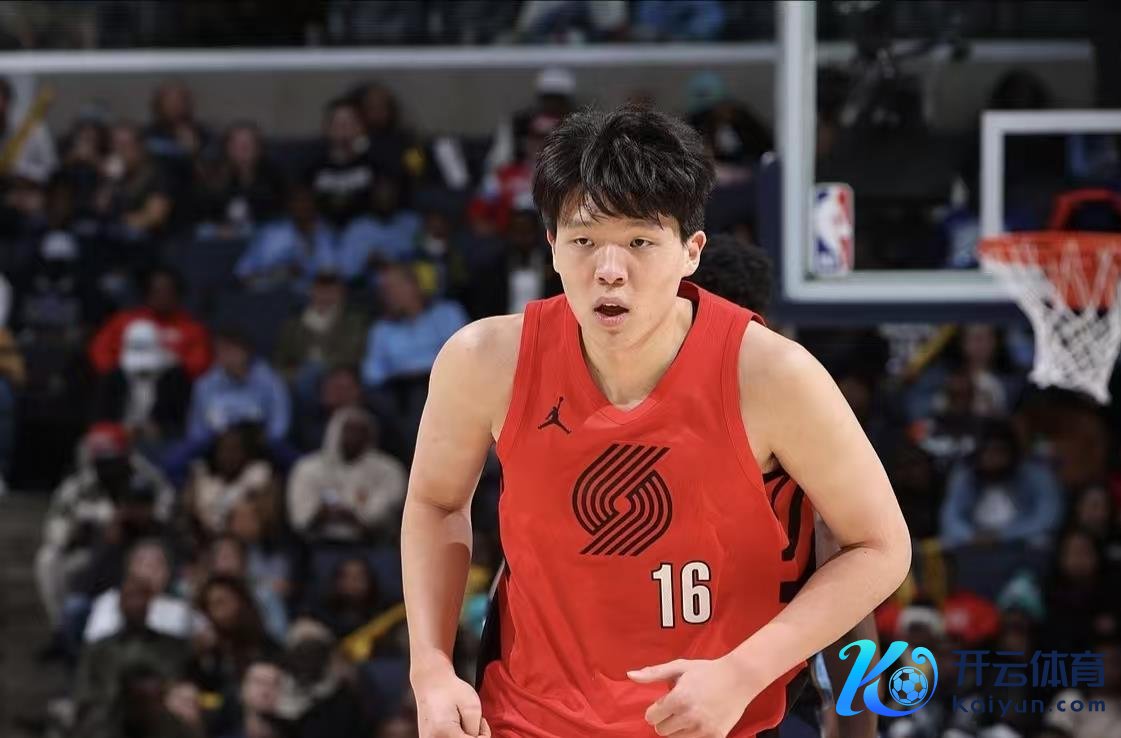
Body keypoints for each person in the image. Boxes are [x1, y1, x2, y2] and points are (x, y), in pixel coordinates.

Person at [401, 106, 910, 738]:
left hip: (711, 720)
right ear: (552, 246)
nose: (609, 270)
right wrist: (430, 666)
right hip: (525, 719)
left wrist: (744, 672)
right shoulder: (483, 360)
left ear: (691, 251)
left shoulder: (773, 375)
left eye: (640, 242)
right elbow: (435, 502)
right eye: (584, 241)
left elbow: (878, 546)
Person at [691, 234, 881, 738]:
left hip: (659, 683)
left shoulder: (640, 409)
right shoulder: (791, 399)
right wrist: (860, 727)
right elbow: (844, 566)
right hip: (766, 687)